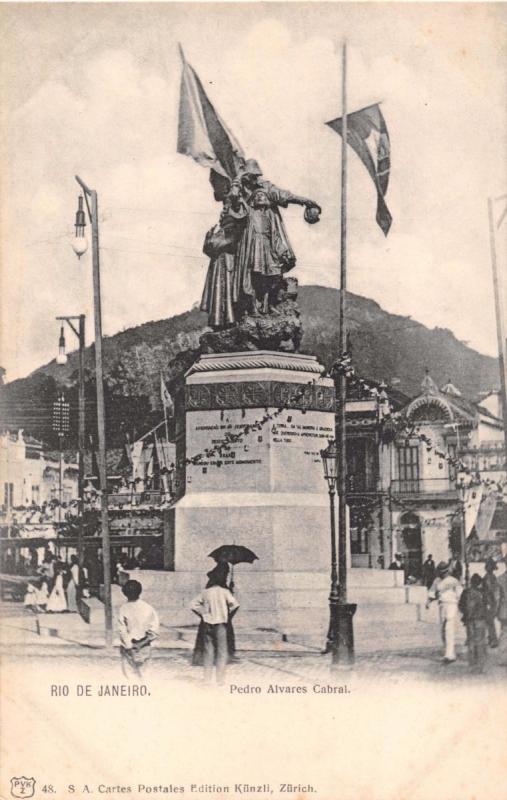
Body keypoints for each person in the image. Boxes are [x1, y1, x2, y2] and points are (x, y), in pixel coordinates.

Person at [190, 562, 239, 685]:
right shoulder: (225, 592)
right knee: (222, 652)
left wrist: (204, 614)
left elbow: (193, 605)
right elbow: (235, 605)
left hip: (208, 623)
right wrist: (228, 616)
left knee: (208, 652)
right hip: (221, 624)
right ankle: (220, 680)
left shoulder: (206, 592)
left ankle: (207, 679)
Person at [117, 579, 159, 679]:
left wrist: (129, 645)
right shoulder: (148, 608)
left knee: (129, 676)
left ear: (125, 593)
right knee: (144, 675)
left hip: (129, 647)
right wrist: (142, 643)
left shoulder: (124, 608)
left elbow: (122, 630)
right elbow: (154, 631)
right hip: (144, 646)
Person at [426, 561, 461, 663]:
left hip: (451, 605)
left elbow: (459, 594)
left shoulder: (453, 581)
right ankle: (449, 652)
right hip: (442, 606)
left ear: (447, 571)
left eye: (445, 572)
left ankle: (449, 655)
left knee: (449, 629)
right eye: (441, 572)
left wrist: (461, 607)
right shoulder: (437, 581)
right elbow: (432, 593)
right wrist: (429, 601)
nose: (443, 574)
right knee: (443, 630)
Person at [458, 574, 487, 673]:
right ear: (479, 583)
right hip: (480, 619)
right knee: (480, 642)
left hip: (469, 620)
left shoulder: (466, 592)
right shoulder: (482, 592)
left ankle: (472, 664)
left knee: (471, 641)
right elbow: (488, 604)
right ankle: (480, 665)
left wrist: (466, 614)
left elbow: (460, 605)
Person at [482, 557, 500, 648]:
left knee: (490, 622)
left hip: (489, 602)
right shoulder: (492, 577)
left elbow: (490, 591)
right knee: (490, 621)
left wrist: (489, 603)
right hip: (491, 602)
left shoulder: (488, 577)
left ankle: (493, 640)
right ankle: (491, 639)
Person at [496, 558, 507, 638]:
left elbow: (497, 598)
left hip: (504, 612)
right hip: (504, 612)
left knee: (504, 634)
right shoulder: (499, 579)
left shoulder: (499, 579)